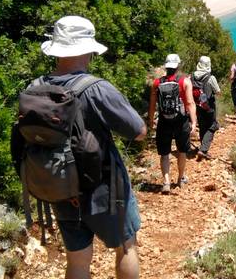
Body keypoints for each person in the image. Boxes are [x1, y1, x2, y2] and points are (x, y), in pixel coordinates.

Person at [37, 16, 145, 279]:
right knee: (126, 247)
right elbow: (139, 131)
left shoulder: (36, 88)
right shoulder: (97, 89)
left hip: (59, 187)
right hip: (105, 189)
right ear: (88, 49)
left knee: (77, 261)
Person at [147, 53, 197, 194]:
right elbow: (190, 103)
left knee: (164, 153)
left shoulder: (157, 83)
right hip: (181, 120)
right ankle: (180, 179)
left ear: (166, 66)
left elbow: (152, 105)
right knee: (182, 151)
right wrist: (193, 122)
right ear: (178, 66)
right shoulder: (185, 81)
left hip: (164, 121)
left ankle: (166, 182)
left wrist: (151, 120)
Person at [192, 56, 221, 159]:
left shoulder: (192, 76)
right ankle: (203, 150)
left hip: (197, 106)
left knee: (203, 126)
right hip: (209, 107)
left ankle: (202, 147)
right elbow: (218, 91)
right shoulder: (210, 78)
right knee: (213, 126)